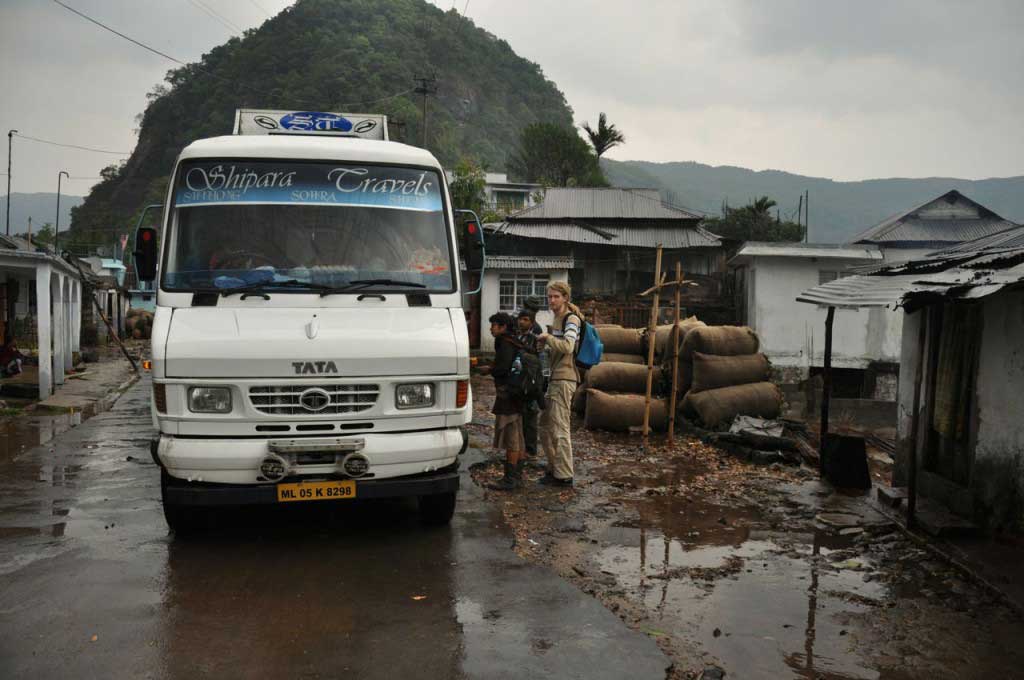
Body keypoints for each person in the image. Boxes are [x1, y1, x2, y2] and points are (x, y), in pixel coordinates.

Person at [536, 281, 582, 487]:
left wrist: (548, 338)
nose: (552, 300)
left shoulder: (571, 319)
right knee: (544, 425)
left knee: (560, 428)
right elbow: (554, 350)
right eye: (549, 297)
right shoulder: (556, 319)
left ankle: (564, 476)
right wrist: (544, 346)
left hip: (565, 378)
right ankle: (555, 468)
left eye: (556, 296)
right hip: (554, 378)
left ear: (565, 298)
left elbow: (568, 346)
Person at [487, 312, 527, 490]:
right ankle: (517, 474)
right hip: (518, 394)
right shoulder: (516, 341)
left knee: (511, 435)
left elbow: (502, 369)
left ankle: (510, 479)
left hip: (508, 395)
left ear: (503, 327)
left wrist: (489, 370)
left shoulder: (505, 343)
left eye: (494, 325)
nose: (491, 328)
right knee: (518, 433)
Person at [515, 308, 544, 464]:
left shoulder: (536, 339)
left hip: (531, 382)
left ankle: (531, 452)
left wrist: (539, 385)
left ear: (531, 323)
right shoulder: (516, 337)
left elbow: (540, 363)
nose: (522, 322)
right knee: (519, 416)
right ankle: (519, 449)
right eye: (520, 319)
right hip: (519, 382)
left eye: (526, 319)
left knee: (531, 418)